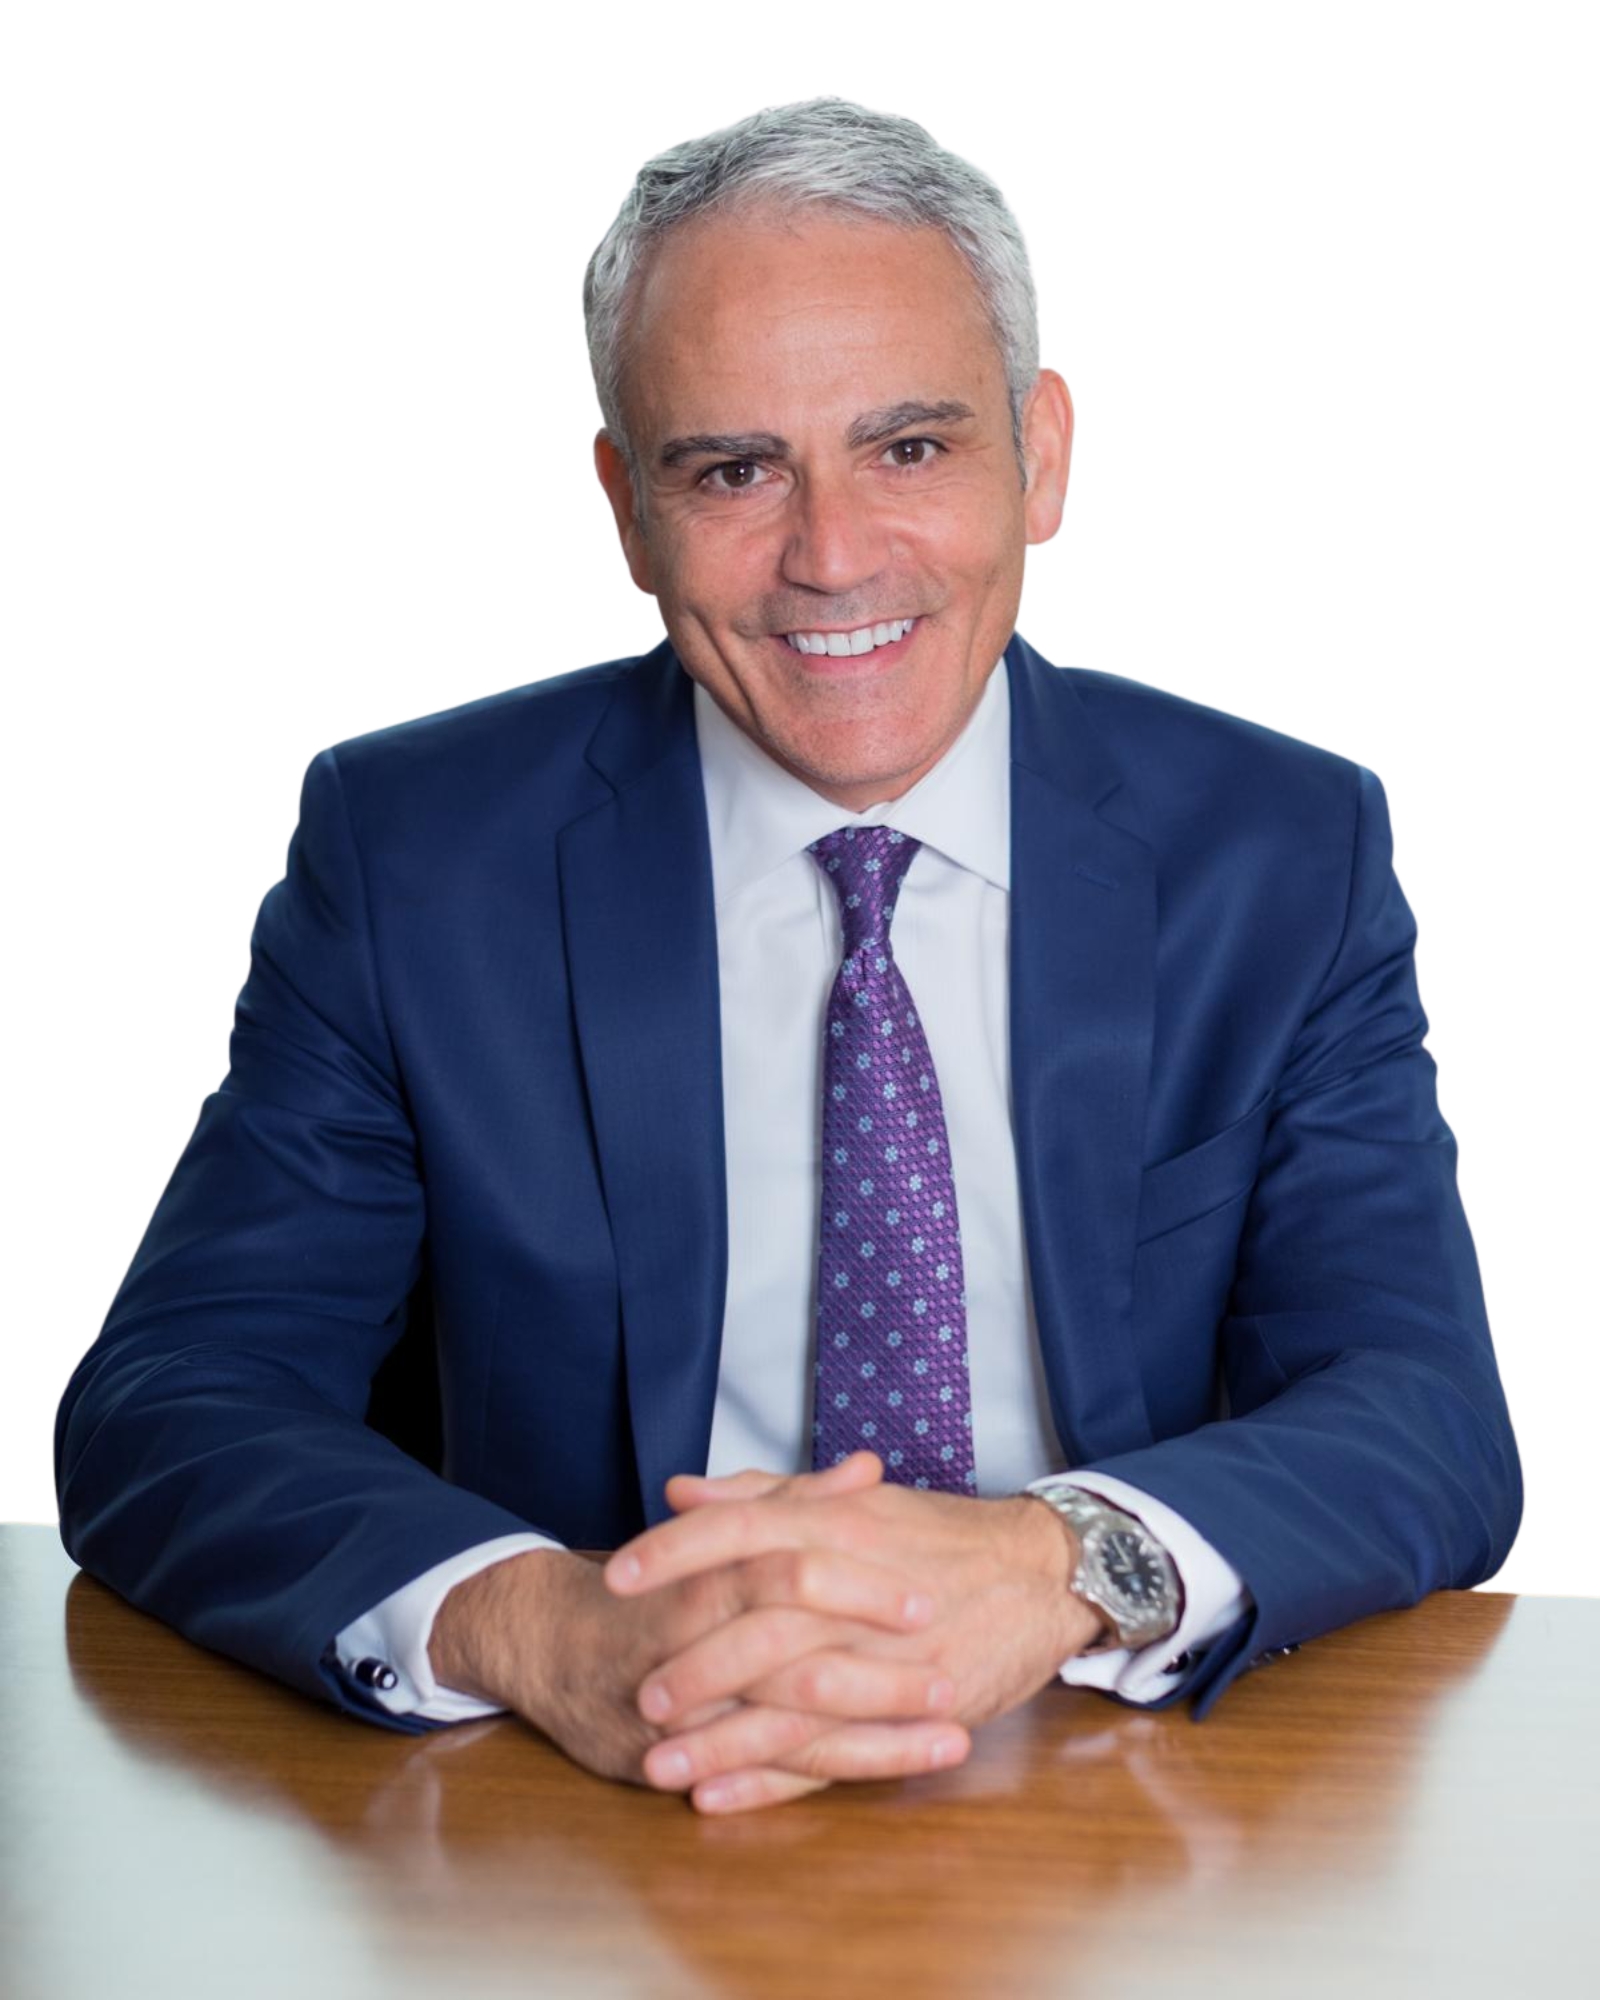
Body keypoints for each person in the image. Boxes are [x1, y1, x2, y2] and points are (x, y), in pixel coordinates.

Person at [55, 98, 1521, 1817]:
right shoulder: (414, 858)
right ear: (629, 509)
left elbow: (1422, 1412)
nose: (832, 557)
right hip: (587, 1810)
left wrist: (1054, 1562)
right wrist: (539, 1625)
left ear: (1042, 456)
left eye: (910, 448)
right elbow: (173, 1399)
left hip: (1116, 1799)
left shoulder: (1280, 851)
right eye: (733, 471)